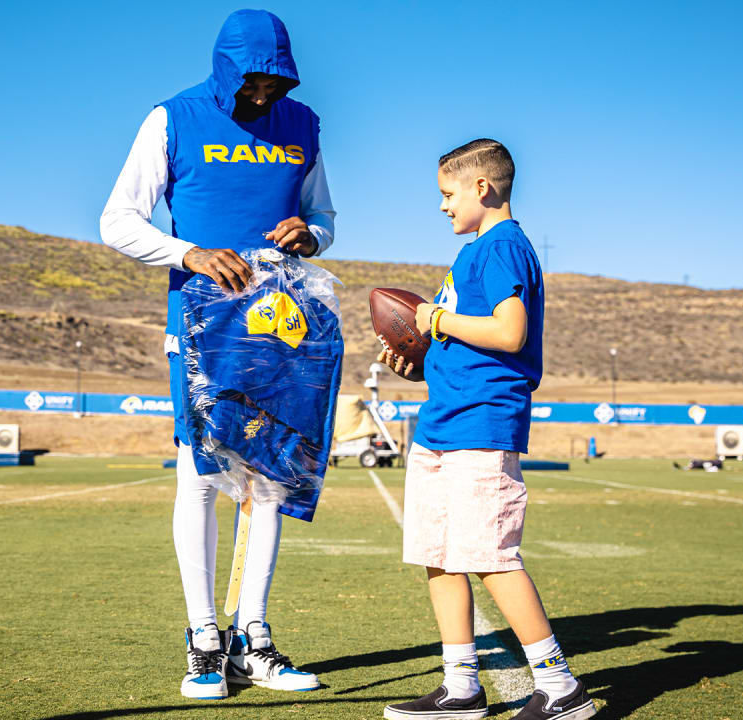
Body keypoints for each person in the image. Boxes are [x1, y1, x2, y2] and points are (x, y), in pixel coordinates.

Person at [99, 9, 334, 701]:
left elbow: (326, 215)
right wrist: (189, 254)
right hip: (201, 325)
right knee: (201, 476)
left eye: (275, 81)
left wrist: (311, 234)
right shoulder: (171, 119)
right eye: (253, 81)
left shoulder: (304, 124)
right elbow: (117, 220)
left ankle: (252, 637)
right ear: (227, 68)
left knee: (270, 477)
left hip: (283, 326)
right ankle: (205, 639)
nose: (264, 94)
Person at [378, 139, 595, 720]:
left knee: (491, 555)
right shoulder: (475, 252)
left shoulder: (502, 246)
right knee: (439, 554)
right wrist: (423, 356)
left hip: (481, 425)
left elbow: (509, 333)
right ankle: (460, 687)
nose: (443, 206)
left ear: (483, 188)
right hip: (442, 422)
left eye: (448, 194)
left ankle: (559, 687)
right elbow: (474, 344)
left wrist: (438, 319)